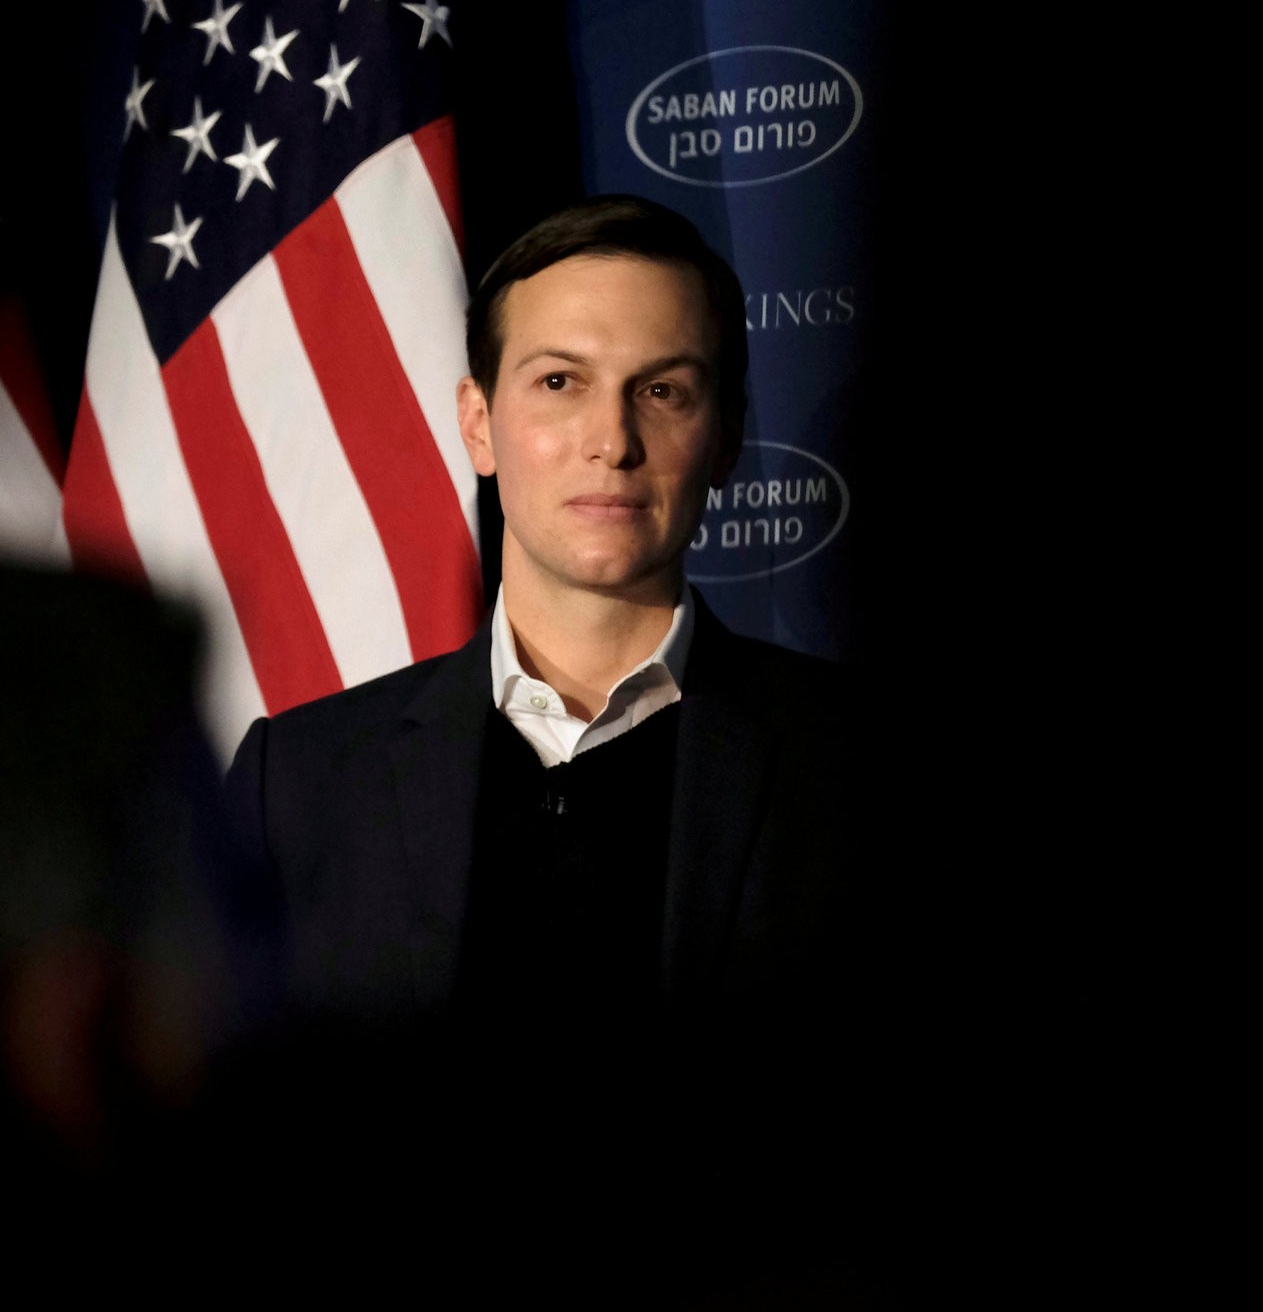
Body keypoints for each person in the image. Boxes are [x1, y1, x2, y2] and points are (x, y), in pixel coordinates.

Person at [222, 196, 878, 1293]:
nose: (611, 441)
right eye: (559, 382)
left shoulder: (864, 768)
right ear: (477, 423)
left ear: (721, 436)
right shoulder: (297, 782)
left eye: (662, 390)